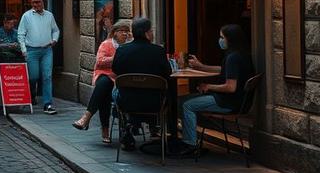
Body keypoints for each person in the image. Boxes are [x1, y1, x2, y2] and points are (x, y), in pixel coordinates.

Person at [179, 24, 255, 155]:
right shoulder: (242, 55)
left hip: (227, 102)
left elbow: (230, 87)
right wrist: (202, 66)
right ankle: (190, 139)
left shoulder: (232, 58)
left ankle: (190, 144)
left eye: (222, 37)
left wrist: (208, 87)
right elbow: (223, 69)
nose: (220, 40)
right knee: (185, 100)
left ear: (230, 39)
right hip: (240, 102)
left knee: (186, 104)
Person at [110, 16, 172, 150]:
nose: (152, 33)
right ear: (146, 33)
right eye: (151, 30)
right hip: (155, 103)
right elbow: (167, 73)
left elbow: (115, 70)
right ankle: (156, 126)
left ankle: (127, 126)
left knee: (116, 91)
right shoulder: (158, 51)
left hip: (127, 101)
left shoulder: (122, 50)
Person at [73, 20, 132, 144]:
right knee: (104, 84)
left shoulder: (129, 46)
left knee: (104, 92)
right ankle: (92, 121)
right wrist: (117, 57)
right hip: (104, 74)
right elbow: (100, 61)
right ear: (115, 33)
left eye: (127, 31)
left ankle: (88, 119)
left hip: (121, 78)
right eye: (122, 31)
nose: (125, 34)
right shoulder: (106, 44)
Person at [17, 0, 61, 114]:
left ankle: (48, 104)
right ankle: (32, 95)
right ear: (31, 3)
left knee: (47, 76)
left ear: (43, 2)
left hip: (47, 50)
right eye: (34, 2)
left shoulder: (49, 15)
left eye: (38, 2)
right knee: (33, 77)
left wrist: (54, 40)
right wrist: (24, 50)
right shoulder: (26, 16)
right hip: (31, 50)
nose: (36, 4)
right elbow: (21, 34)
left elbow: (56, 30)